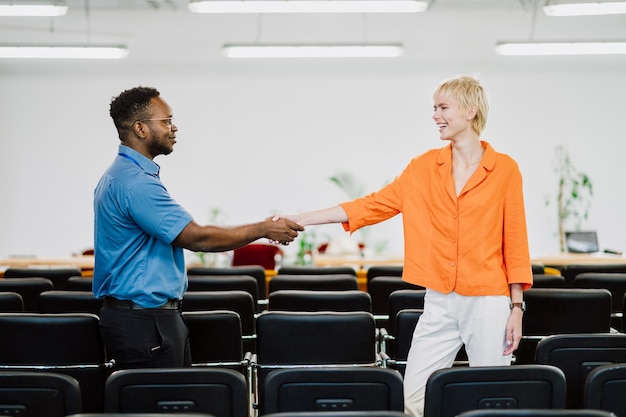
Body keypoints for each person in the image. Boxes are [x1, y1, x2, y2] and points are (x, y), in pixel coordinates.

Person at [276, 75, 533, 417]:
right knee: (414, 398)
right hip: (440, 298)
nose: (435, 115)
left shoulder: (505, 170)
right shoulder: (424, 167)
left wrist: (517, 307)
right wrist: (304, 218)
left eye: (443, 107)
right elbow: (373, 205)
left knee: (486, 398)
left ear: (470, 111)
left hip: (489, 300)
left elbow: (514, 240)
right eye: (434, 108)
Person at [93, 86, 303, 369]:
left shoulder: (122, 175)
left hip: (145, 317)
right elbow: (197, 237)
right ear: (141, 129)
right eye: (166, 121)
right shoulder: (135, 183)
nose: (174, 127)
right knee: (161, 409)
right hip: (144, 320)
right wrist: (263, 228)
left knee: (171, 404)